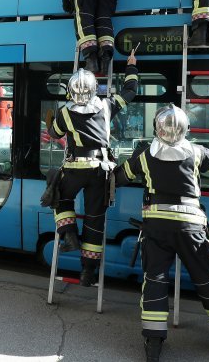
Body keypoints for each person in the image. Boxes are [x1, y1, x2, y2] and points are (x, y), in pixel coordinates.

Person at [114, 104, 209, 362]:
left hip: (156, 225)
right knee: (206, 278)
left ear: (156, 128)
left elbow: (121, 176)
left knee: (155, 280)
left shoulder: (144, 156)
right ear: (187, 129)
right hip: (191, 226)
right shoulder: (197, 153)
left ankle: (153, 342)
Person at [46, 49, 139, 285]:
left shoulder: (65, 112)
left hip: (75, 169)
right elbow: (131, 91)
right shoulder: (107, 105)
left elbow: (54, 133)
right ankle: (88, 271)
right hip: (101, 171)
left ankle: (68, 234)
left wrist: (52, 122)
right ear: (95, 88)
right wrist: (131, 66)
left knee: (59, 196)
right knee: (94, 220)